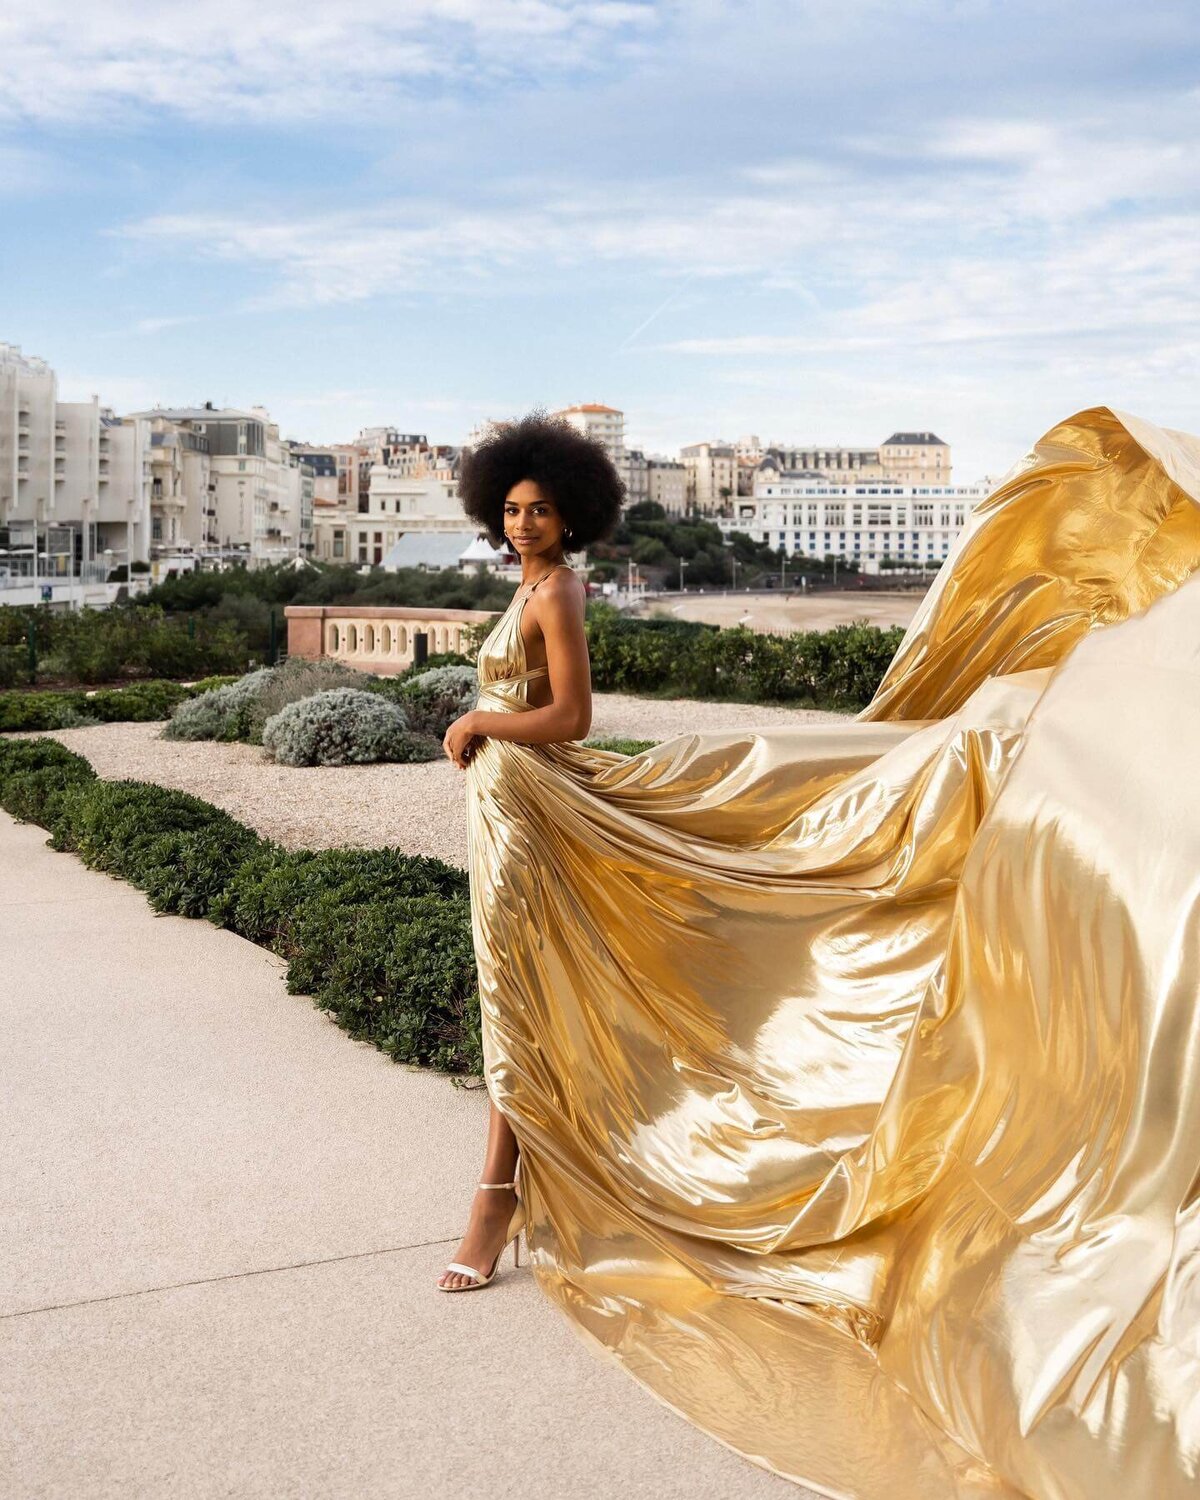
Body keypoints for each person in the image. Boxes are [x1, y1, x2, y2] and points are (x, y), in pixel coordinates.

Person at [436, 404, 1200, 1500]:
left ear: (573, 515)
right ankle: (504, 1183)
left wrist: (478, 726)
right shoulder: (520, 584)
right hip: (506, 812)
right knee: (514, 991)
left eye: (540, 511)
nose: (524, 528)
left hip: (535, 799)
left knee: (518, 990)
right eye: (510, 512)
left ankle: (493, 1196)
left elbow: (569, 719)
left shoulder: (558, 591)